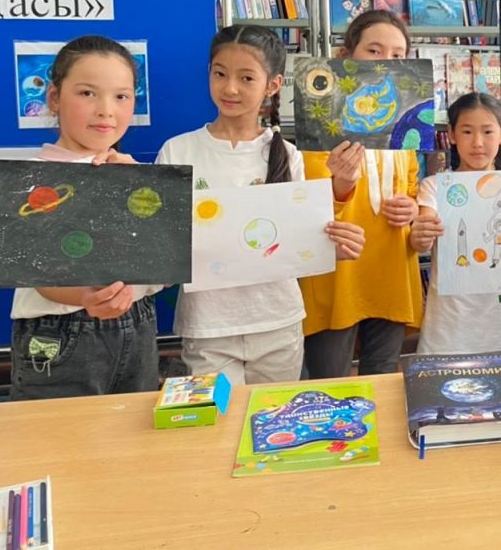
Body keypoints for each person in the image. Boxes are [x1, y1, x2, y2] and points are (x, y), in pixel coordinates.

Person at [156, 25, 365, 386]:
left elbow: (299, 238)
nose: (230, 88)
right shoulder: (178, 151)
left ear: (273, 84)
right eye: (220, 74)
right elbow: (163, 239)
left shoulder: (287, 154)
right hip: (208, 326)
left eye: (246, 78)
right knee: (218, 417)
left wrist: (331, 243)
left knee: (272, 413)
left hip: (277, 321)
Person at [9, 36, 163, 400]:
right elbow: (36, 274)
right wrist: (84, 295)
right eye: (87, 93)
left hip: (138, 328)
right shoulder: (30, 178)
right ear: (54, 98)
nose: (106, 110)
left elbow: (165, 264)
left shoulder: (137, 174)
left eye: (122, 96)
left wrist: (142, 187)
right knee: (61, 432)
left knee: (134, 431)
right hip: (60, 335)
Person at [299, 10, 424, 378]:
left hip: (391, 265)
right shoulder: (319, 122)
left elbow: (411, 186)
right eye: (374, 50)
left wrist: (412, 208)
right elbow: (306, 201)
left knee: (383, 375)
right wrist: (341, 184)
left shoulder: (404, 123)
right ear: (345, 56)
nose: (386, 62)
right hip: (338, 273)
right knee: (330, 379)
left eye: (398, 55)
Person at [409, 92, 501, 361]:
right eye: (467, 131)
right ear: (451, 134)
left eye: (487, 131)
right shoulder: (434, 187)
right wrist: (420, 235)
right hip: (451, 319)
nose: (477, 143)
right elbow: (421, 242)